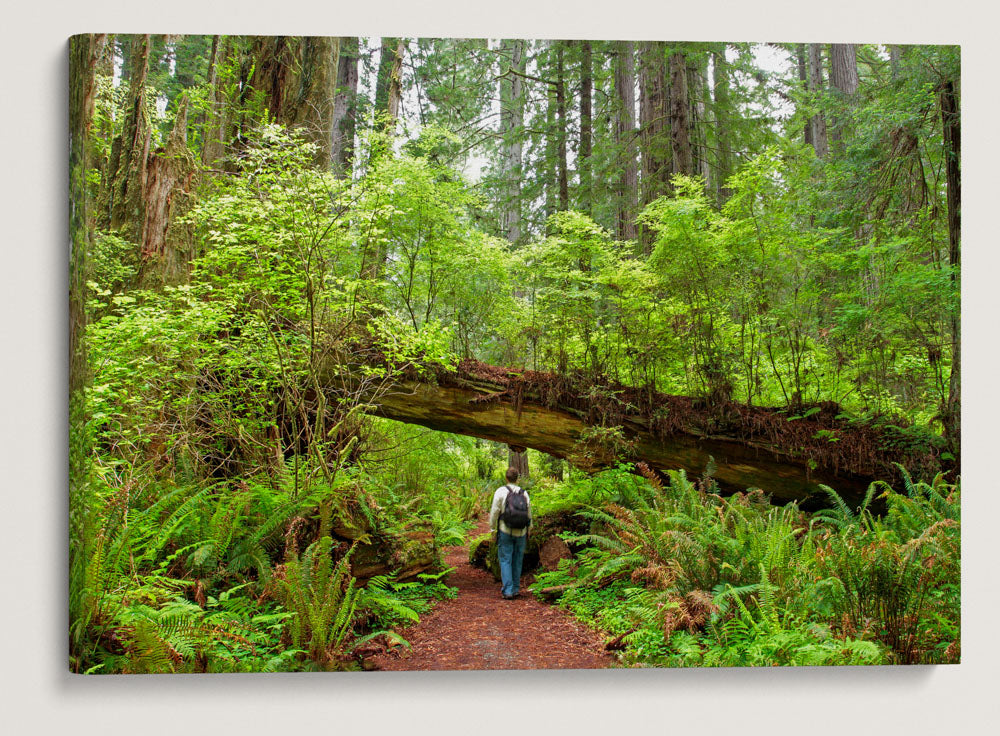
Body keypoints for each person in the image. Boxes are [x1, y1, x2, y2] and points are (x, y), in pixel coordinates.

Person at [488, 466, 532, 600]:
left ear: (506, 478)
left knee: (506, 559)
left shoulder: (500, 491)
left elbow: (495, 511)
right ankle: (516, 589)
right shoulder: (524, 493)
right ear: (517, 479)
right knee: (518, 560)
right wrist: (529, 529)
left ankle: (507, 590)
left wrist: (492, 529)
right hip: (521, 532)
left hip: (505, 530)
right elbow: (529, 513)